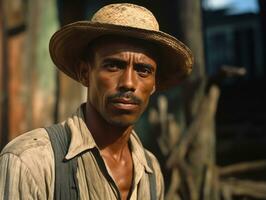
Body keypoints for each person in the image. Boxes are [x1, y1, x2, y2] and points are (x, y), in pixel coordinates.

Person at [0, 3, 193, 200]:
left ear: (154, 84)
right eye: (113, 66)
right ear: (85, 74)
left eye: (143, 70)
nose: (128, 83)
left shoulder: (150, 171)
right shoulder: (31, 160)